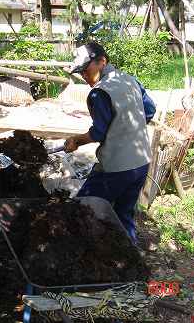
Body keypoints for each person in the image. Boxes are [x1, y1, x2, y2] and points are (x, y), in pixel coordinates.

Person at [65, 42, 156, 245]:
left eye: (86, 71)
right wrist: (127, 129)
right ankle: (133, 264)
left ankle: (77, 253)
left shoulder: (99, 93)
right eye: (81, 73)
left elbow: (98, 133)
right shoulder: (130, 80)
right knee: (124, 215)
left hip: (116, 169)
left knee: (81, 209)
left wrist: (76, 141)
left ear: (102, 62)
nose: (85, 77)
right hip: (141, 163)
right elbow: (150, 111)